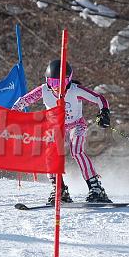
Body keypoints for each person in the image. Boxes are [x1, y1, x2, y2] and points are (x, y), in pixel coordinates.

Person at [12, 59, 112, 204]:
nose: (57, 87)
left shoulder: (75, 90)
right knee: (50, 153)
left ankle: (96, 188)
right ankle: (59, 189)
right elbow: (23, 101)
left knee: (76, 151)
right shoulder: (44, 90)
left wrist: (104, 113)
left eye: (61, 82)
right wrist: (13, 113)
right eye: (52, 82)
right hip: (55, 127)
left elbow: (99, 98)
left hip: (76, 125)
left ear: (69, 80)